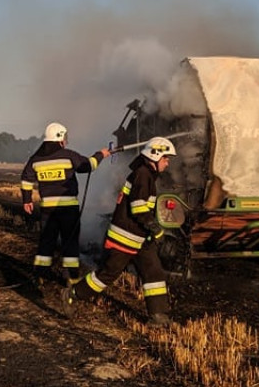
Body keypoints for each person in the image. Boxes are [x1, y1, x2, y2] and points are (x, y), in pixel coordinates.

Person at [62, 136, 176, 326]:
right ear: (155, 156)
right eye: (166, 158)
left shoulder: (147, 174)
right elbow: (139, 208)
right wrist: (155, 229)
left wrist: (150, 232)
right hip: (125, 237)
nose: (168, 162)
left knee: (154, 272)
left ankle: (158, 315)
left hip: (140, 236)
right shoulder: (142, 174)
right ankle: (73, 293)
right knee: (108, 273)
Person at [21, 122, 110, 285]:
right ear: (60, 139)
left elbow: (26, 179)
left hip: (48, 209)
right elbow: (88, 165)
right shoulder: (68, 155)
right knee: (70, 242)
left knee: (47, 240)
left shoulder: (36, 159)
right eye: (65, 138)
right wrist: (101, 154)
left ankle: (41, 274)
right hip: (68, 209)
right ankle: (71, 277)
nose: (66, 142)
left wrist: (27, 200)